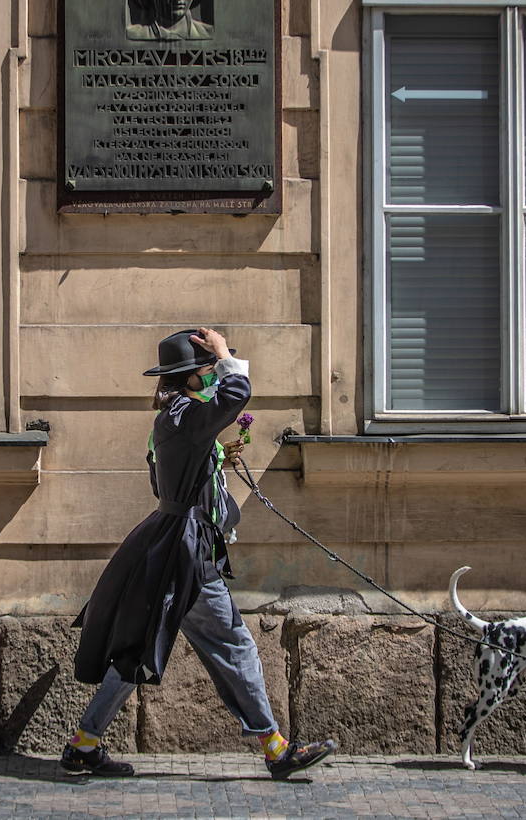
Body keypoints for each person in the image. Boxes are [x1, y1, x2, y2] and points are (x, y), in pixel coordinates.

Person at [62, 328, 337, 779]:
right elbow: (235, 395)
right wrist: (226, 355)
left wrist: (208, 462)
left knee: (139, 646)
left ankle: (84, 744)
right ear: (191, 377)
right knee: (235, 644)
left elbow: (164, 479)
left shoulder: (170, 417)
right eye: (207, 368)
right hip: (187, 551)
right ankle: (276, 749)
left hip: (163, 541)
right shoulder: (189, 413)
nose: (213, 373)